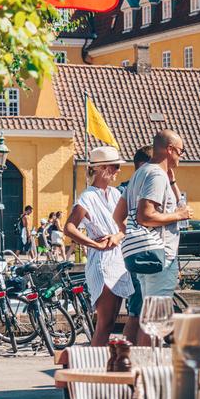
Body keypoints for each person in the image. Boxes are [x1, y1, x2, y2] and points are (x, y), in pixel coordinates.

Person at [114, 130, 191, 345]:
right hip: (161, 256)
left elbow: (118, 215)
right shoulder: (156, 175)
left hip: (145, 254)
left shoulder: (139, 174)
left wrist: (135, 237)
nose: (181, 156)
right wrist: (179, 215)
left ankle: (139, 362)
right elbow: (145, 215)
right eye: (181, 151)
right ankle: (147, 363)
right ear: (170, 149)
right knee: (155, 321)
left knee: (147, 317)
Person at [63, 146, 132, 346]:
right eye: (115, 166)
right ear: (102, 168)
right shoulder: (88, 196)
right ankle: (95, 363)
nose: (119, 170)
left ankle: (105, 360)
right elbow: (69, 227)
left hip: (119, 258)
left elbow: (127, 224)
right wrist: (95, 244)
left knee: (112, 320)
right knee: (105, 323)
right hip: (102, 261)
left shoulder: (115, 193)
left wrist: (118, 235)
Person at [118, 146, 153, 342]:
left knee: (140, 311)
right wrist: (133, 236)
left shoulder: (131, 187)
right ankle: (130, 355)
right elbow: (117, 218)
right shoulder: (131, 188)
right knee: (139, 313)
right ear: (143, 165)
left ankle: (127, 354)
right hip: (141, 254)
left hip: (144, 254)